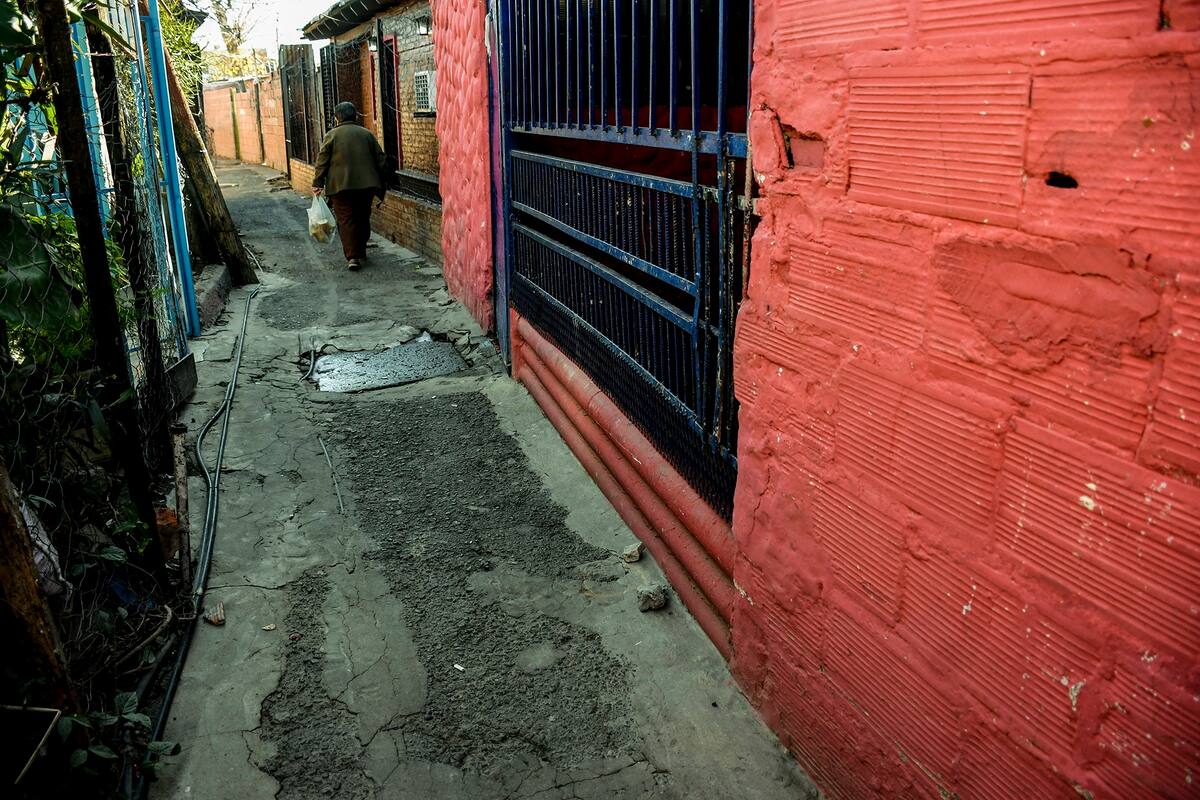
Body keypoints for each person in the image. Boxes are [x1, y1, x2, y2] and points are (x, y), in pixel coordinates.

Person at [311, 101, 388, 271]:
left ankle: (353, 257)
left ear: (337, 118)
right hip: (366, 185)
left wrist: (318, 182)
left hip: (340, 186)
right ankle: (361, 250)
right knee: (362, 216)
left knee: (346, 220)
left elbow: (322, 161)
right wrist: (383, 181)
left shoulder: (332, 135)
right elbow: (381, 159)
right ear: (355, 116)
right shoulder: (367, 134)